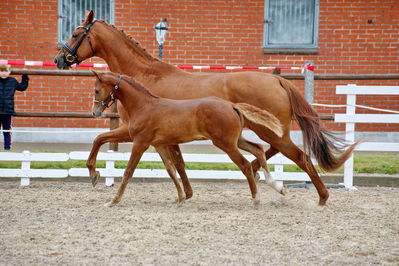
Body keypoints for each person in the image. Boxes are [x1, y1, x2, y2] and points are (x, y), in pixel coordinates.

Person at [0, 65, 29, 150]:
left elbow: (22, 87)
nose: (3, 73)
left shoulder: (12, 81)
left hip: (8, 112)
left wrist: (25, 75)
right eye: (1, 71)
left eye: (6, 71)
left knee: (7, 131)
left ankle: (7, 148)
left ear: (10, 71)